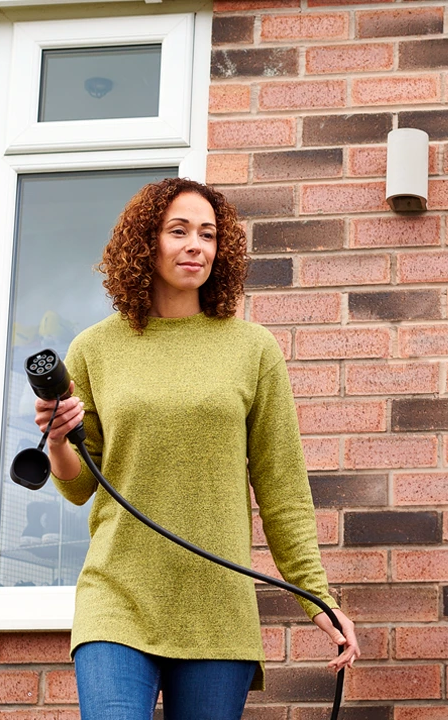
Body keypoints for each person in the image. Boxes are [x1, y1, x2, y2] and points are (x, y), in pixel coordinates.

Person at [33, 177, 359, 720]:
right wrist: (59, 440)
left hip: (216, 606)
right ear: (145, 243)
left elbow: (282, 489)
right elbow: (78, 485)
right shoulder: (94, 348)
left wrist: (316, 598)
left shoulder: (251, 348)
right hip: (117, 598)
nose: (196, 246)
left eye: (207, 235)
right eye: (178, 231)